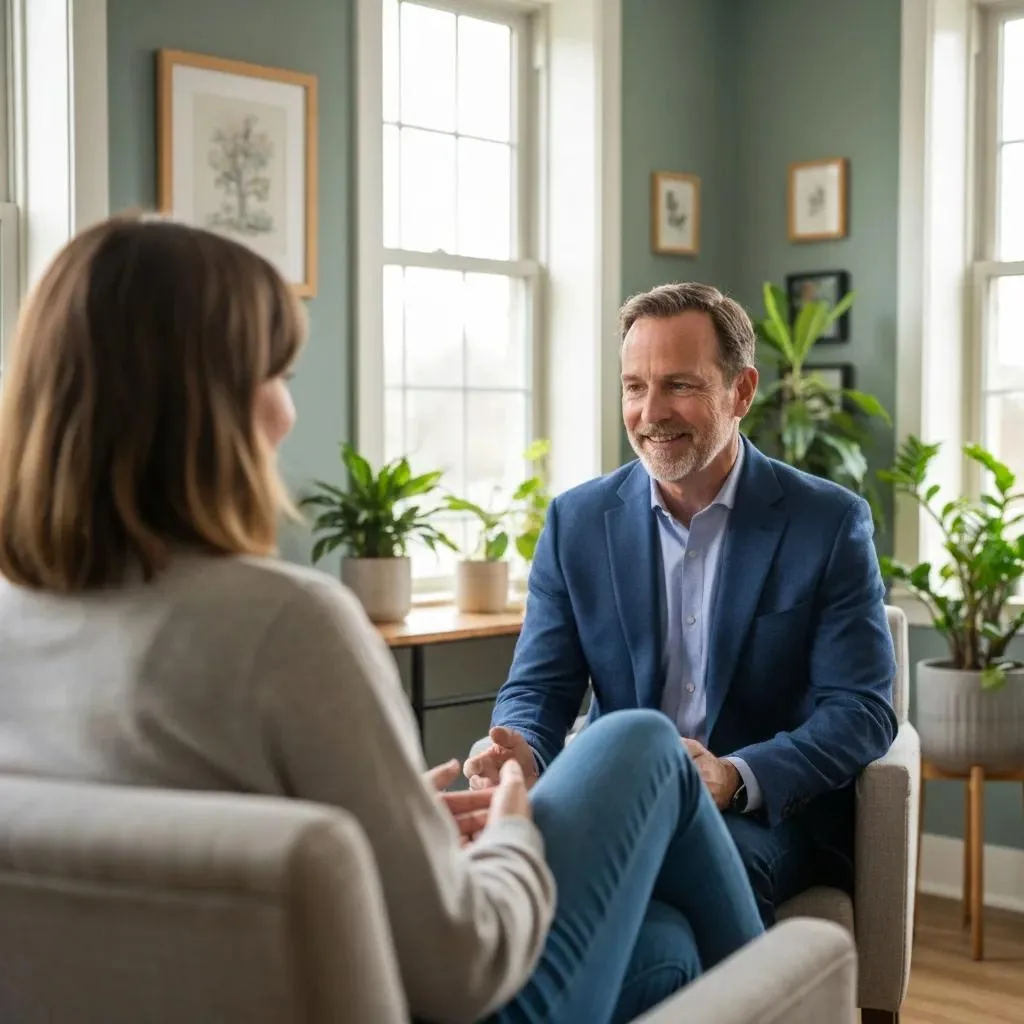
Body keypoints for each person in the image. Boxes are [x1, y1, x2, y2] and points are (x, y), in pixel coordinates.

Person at [0, 218, 765, 1024]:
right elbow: (460, 968)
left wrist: (378, 838)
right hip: (447, 999)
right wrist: (511, 837)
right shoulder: (287, 627)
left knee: (669, 944)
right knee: (635, 740)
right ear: (206, 403)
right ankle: (801, 985)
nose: (287, 414)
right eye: (277, 374)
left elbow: (178, 858)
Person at [465, 281, 899, 925]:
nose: (651, 411)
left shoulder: (827, 522)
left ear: (741, 392)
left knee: (677, 868)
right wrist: (522, 747)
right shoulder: (576, 522)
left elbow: (861, 710)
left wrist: (732, 775)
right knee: (464, 842)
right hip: (613, 792)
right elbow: (540, 685)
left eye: (680, 385)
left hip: (757, 815)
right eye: (635, 387)